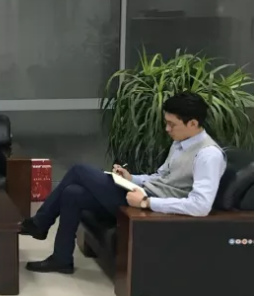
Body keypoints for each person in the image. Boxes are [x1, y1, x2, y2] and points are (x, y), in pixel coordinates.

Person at [19, 92, 226, 274]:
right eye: (167, 122)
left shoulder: (208, 155)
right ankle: (61, 259)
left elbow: (201, 205)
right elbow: (161, 177)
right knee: (72, 193)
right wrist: (131, 178)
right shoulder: (180, 142)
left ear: (193, 123)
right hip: (141, 193)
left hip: (151, 206)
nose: (167, 129)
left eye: (172, 124)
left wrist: (146, 202)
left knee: (79, 170)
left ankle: (40, 223)